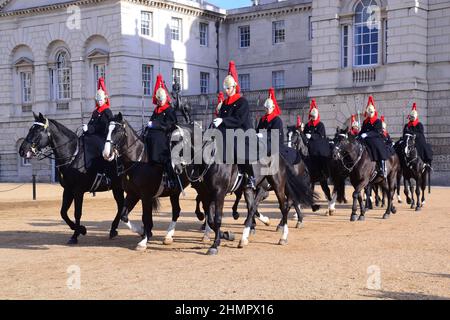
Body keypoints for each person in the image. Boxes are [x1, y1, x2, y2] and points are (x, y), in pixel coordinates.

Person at [212, 61, 254, 188]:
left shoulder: (242, 102)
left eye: (228, 88)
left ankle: (250, 176)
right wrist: (217, 123)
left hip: (241, 131)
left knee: (237, 145)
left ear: (234, 87)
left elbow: (239, 119)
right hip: (227, 131)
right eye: (225, 88)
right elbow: (222, 118)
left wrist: (223, 121)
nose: (226, 91)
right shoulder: (224, 103)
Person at [146, 74, 178, 188]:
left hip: (165, 134)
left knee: (158, 140)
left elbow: (172, 123)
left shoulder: (169, 110)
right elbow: (151, 121)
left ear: (165, 99)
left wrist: (157, 125)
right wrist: (148, 126)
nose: (160, 102)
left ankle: (171, 178)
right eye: (159, 100)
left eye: (162, 100)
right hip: (153, 134)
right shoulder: (156, 110)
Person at [82, 77, 114, 190]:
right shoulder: (96, 112)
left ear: (104, 100)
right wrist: (86, 128)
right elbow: (92, 123)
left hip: (103, 136)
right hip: (94, 135)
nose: (99, 102)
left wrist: (90, 129)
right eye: (98, 100)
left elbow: (103, 126)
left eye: (101, 100)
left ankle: (104, 172)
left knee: (99, 148)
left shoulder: (107, 111)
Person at [256, 88, 298, 164]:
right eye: (266, 108)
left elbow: (274, 135)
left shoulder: (276, 120)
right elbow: (258, 130)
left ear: (273, 108)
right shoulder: (262, 119)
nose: (268, 109)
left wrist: (263, 135)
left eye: (269, 108)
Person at [359, 96, 389, 178]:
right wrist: (358, 136)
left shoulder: (378, 121)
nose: (369, 114)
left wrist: (367, 134)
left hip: (375, 138)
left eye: (371, 112)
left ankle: (382, 168)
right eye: (368, 112)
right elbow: (362, 131)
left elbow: (377, 132)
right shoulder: (365, 121)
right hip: (365, 139)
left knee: (377, 147)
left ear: (374, 112)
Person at [403, 102, 433, 169]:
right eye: (410, 117)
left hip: (418, 140)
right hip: (408, 140)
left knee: (424, 147)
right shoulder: (407, 125)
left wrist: (414, 134)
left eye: (412, 117)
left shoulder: (419, 124)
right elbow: (404, 133)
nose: (410, 118)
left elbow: (420, 133)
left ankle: (426, 162)